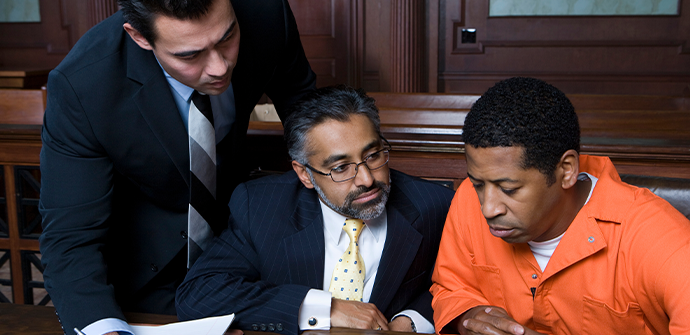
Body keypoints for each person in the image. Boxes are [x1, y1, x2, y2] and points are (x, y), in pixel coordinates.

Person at [38, 0, 316, 334]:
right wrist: (104, 328)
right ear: (139, 37)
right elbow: (70, 238)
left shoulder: (265, 14)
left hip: (244, 253)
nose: (219, 67)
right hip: (148, 277)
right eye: (189, 55)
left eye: (227, 37)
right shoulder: (84, 85)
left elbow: (307, 111)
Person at [176, 85, 455, 334]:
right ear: (305, 174)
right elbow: (198, 294)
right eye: (340, 168)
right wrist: (324, 309)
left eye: (373, 155)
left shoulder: (434, 205)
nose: (367, 179)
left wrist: (411, 321)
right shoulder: (262, 206)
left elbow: (464, 286)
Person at [430, 77, 690, 335]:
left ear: (566, 171)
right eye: (478, 184)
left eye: (509, 189)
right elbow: (451, 288)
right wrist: (470, 316)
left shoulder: (661, 240)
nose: (488, 208)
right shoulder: (468, 197)